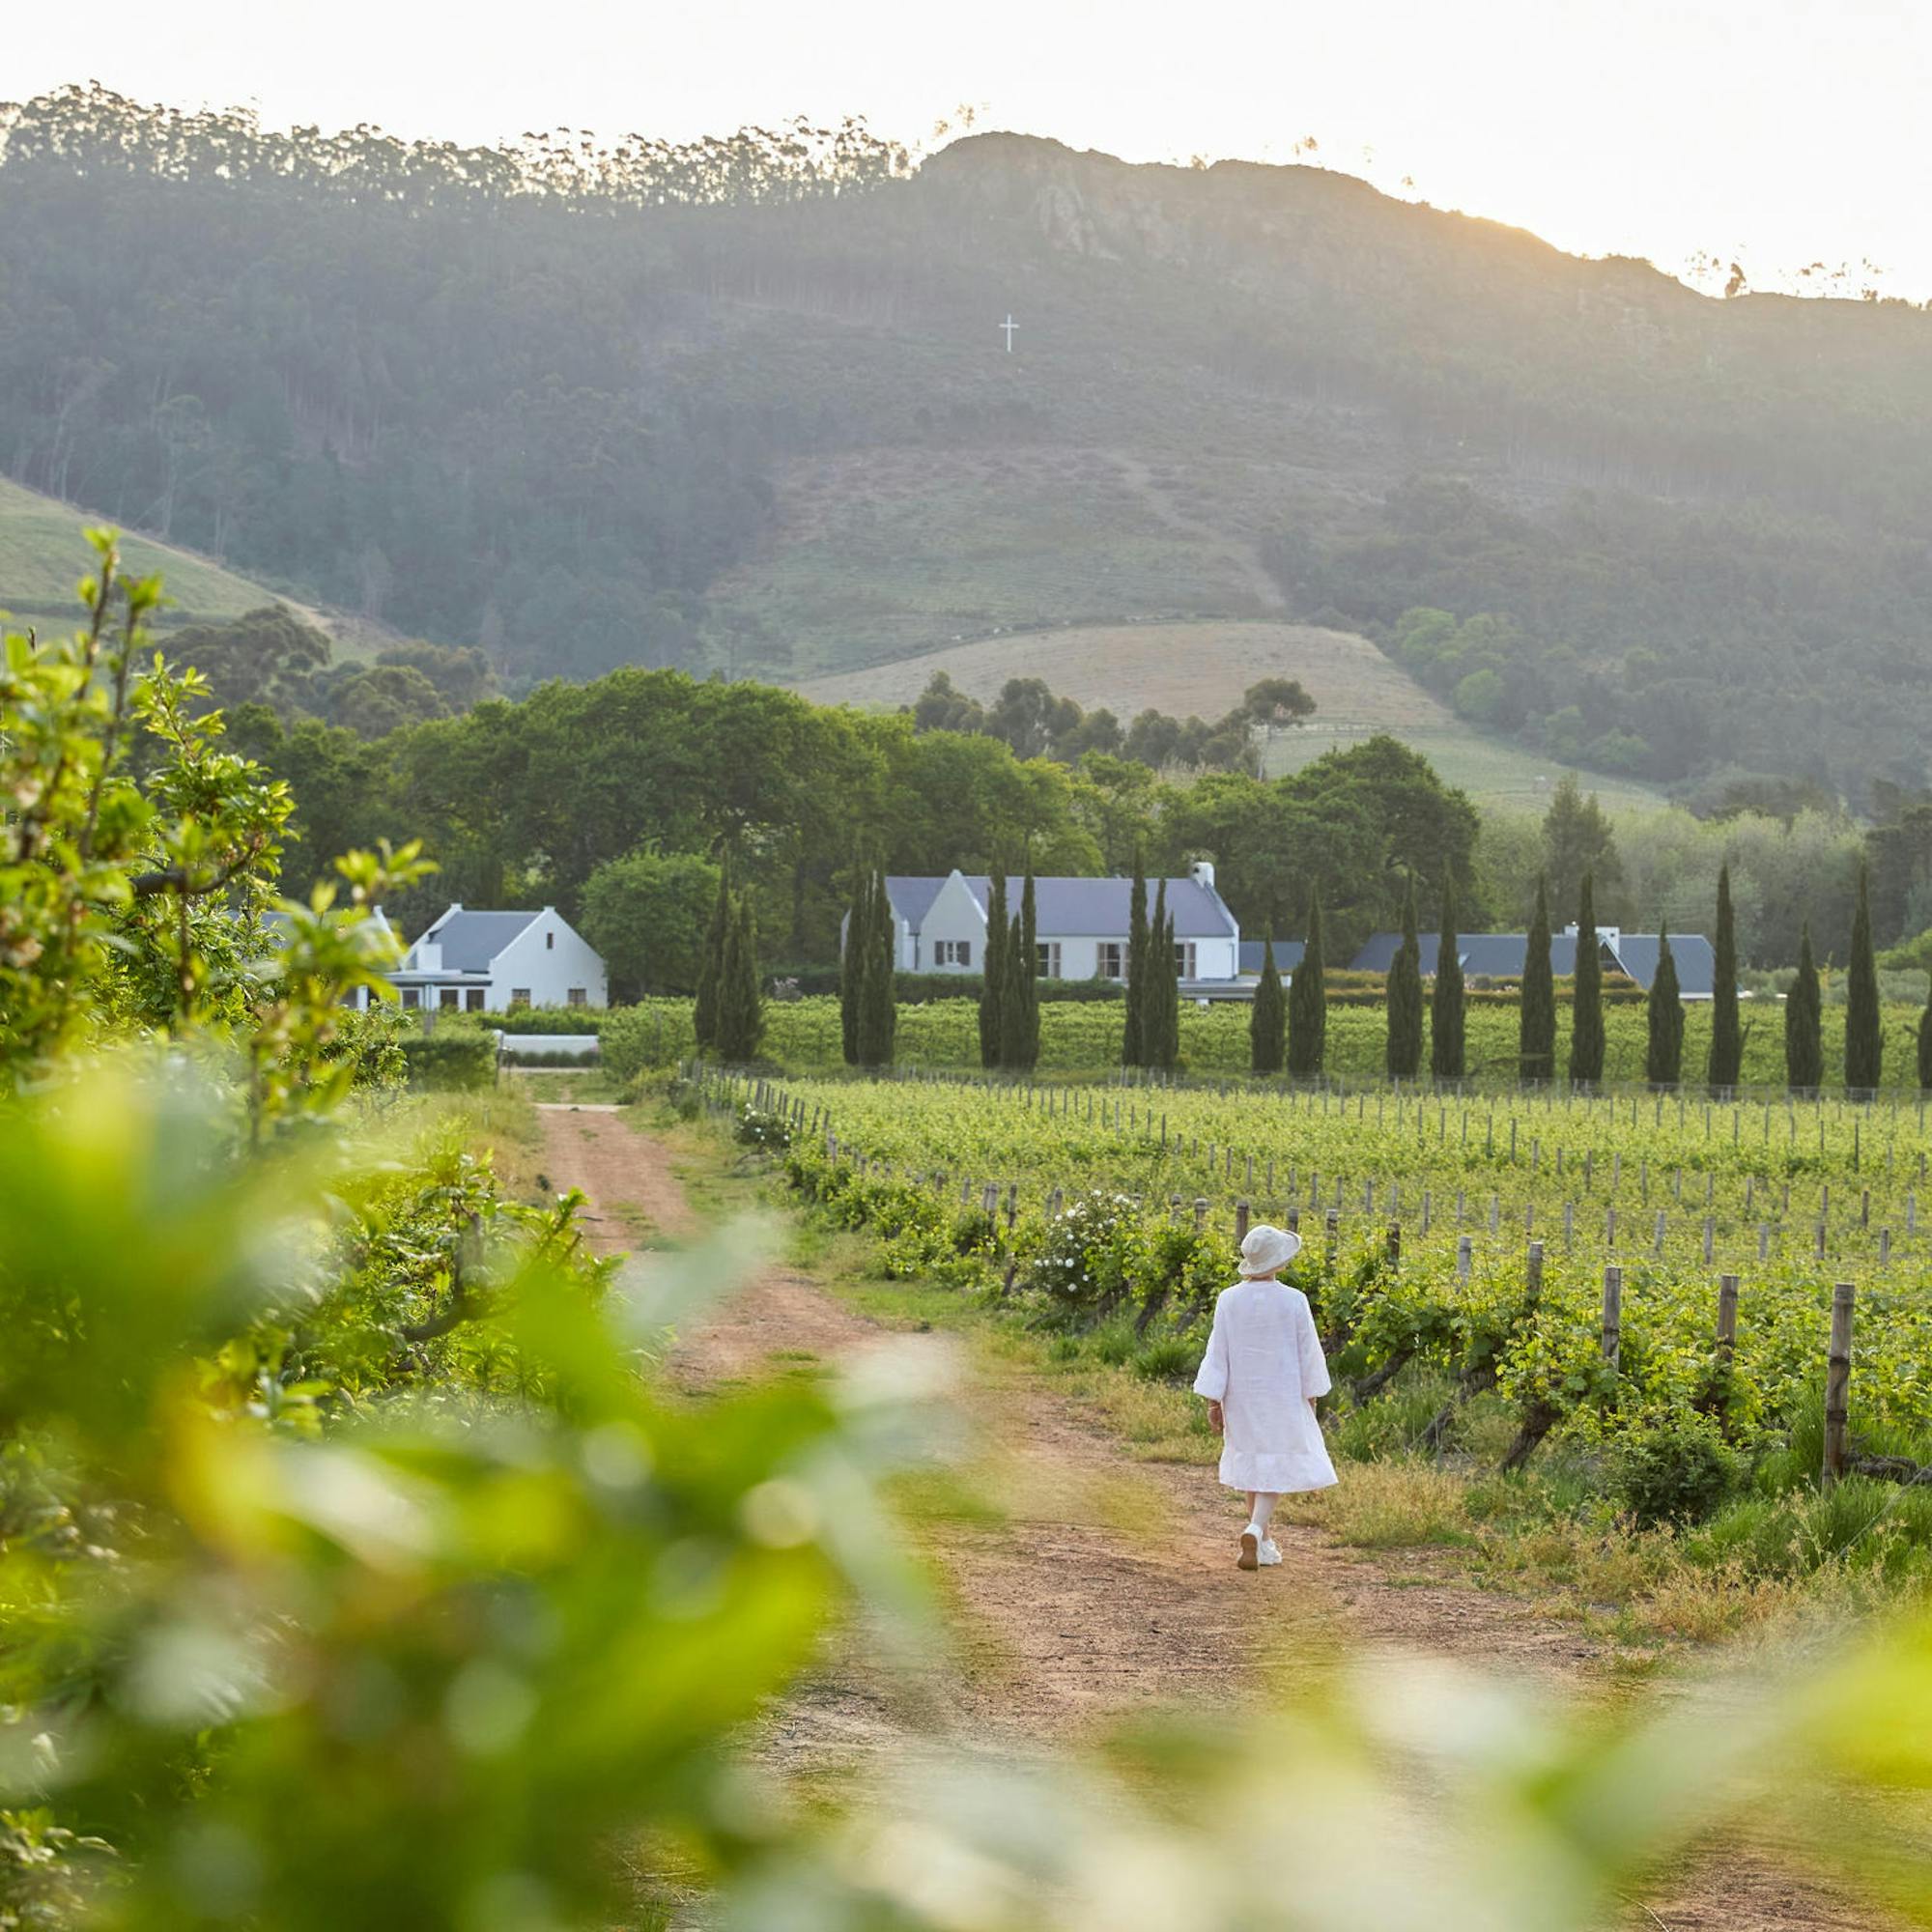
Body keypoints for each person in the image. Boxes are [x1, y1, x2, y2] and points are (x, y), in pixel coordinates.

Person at [1192, 1222, 1337, 1571]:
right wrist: (1312, 1395)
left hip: (1240, 1395)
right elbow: (1308, 1352)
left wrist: (1214, 1400)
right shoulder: (1294, 1301)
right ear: (1279, 1263)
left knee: (1254, 1461)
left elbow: (1218, 1351)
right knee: (1276, 1463)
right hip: (1282, 1393)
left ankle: (1265, 1543)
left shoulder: (1228, 1299)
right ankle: (1256, 1529)